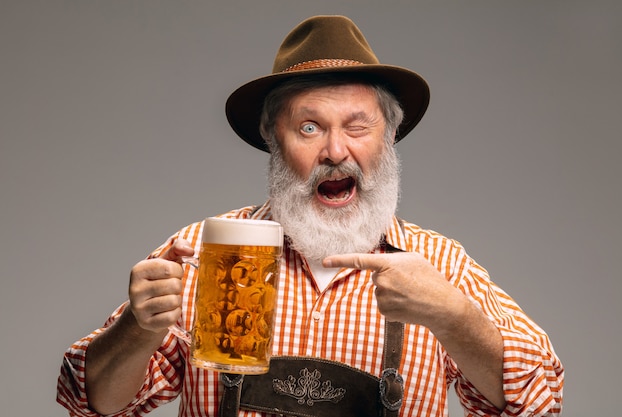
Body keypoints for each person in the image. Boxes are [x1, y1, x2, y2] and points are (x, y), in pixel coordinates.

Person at [57, 15, 564, 417]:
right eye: (309, 128)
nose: (336, 151)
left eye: (357, 127)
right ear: (272, 139)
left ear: (388, 139)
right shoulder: (205, 251)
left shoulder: (438, 265)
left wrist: (451, 316)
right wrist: (138, 327)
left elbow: (541, 399)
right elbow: (92, 400)